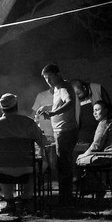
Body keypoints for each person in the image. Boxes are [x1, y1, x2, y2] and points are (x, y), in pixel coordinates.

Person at [0, 92, 47, 209]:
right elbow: (43, 143)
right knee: (43, 163)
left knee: (2, 165)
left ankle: (9, 198)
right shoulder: (28, 122)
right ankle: (27, 197)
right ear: (16, 106)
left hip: (2, 170)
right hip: (26, 168)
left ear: (1, 108)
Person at [32, 63, 79, 197]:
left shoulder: (63, 87)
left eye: (50, 77)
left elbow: (69, 103)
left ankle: (65, 197)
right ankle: (66, 196)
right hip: (61, 131)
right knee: (62, 163)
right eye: (46, 78)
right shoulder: (58, 88)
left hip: (65, 131)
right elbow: (61, 103)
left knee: (63, 165)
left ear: (58, 74)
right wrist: (48, 107)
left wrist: (52, 114)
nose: (48, 81)